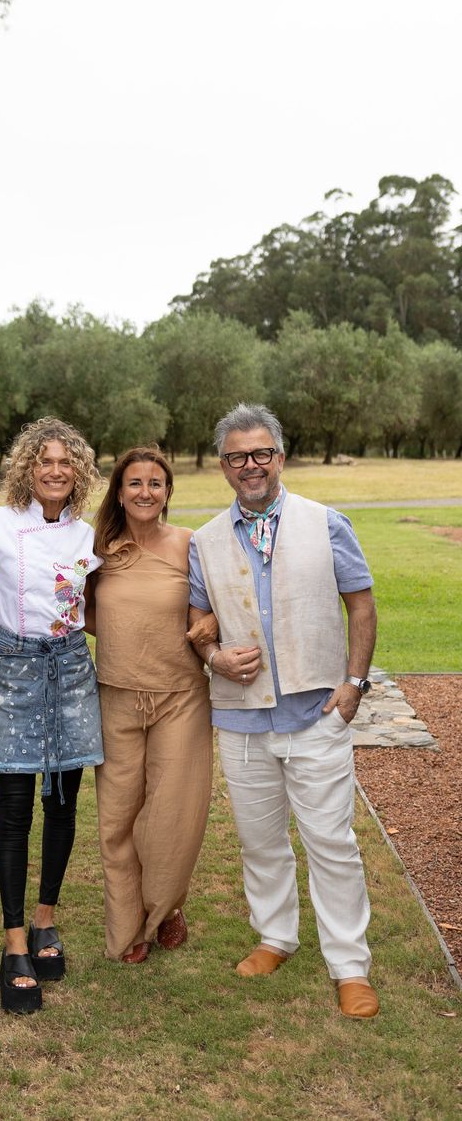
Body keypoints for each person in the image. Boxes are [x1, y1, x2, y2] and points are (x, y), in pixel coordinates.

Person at [187, 402, 379, 1019]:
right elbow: (197, 623)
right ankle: (276, 937)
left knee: (331, 842)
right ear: (223, 467)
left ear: (280, 458)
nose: (252, 465)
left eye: (262, 453)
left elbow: (362, 605)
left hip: (316, 713)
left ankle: (350, 965)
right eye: (239, 456)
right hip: (242, 720)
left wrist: (353, 683)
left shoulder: (326, 523)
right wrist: (214, 655)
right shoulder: (205, 540)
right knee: (260, 842)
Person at [0, 418, 103, 1014]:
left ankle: (45, 922)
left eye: (66, 462)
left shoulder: (89, 534)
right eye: (44, 461)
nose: (55, 471)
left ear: (78, 472)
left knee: (62, 807)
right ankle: (13, 946)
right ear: (27, 468)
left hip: (71, 672)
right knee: (14, 813)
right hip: (12, 671)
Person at [87, 447, 216, 964]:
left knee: (170, 816)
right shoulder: (99, 548)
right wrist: (126, 635)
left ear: (167, 493)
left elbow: (211, 609)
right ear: (119, 491)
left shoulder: (191, 545)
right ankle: (128, 929)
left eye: (155, 484)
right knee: (117, 819)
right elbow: (83, 611)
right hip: (115, 696)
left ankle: (163, 909)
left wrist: (207, 627)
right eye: (134, 483)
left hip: (180, 697)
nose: (145, 492)